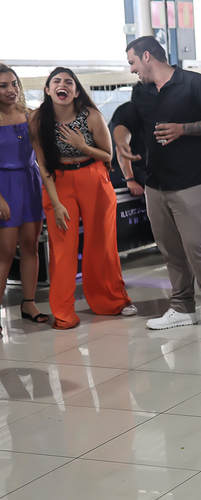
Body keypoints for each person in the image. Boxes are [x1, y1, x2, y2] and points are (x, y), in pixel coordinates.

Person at [116, 36, 201, 334]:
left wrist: (183, 129)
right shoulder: (141, 91)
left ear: (147, 56)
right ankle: (182, 308)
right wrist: (121, 141)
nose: (132, 70)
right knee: (170, 250)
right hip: (155, 183)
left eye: (132, 62)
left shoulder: (195, 83)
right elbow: (125, 122)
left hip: (192, 180)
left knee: (197, 246)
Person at [28, 67, 135, 330]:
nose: (62, 85)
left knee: (102, 243)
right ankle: (63, 314)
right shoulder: (38, 119)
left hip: (93, 176)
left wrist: (83, 146)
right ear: (48, 89)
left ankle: (111, 301)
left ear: (76, 91)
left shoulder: (92, 116)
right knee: (62, 249)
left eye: (69, 82)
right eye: (56, 81)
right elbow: (43, 165)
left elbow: (108, 156)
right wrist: (56, 204)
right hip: (58, 181)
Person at [0, 63, 49, 331]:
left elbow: (41, 154)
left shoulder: (30, 115)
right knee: (6, 252)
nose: (11, 89)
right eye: (3, 86)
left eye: (14, 84)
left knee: (30, 246)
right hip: (3, 186)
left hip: (30, 182)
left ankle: (29, 303)